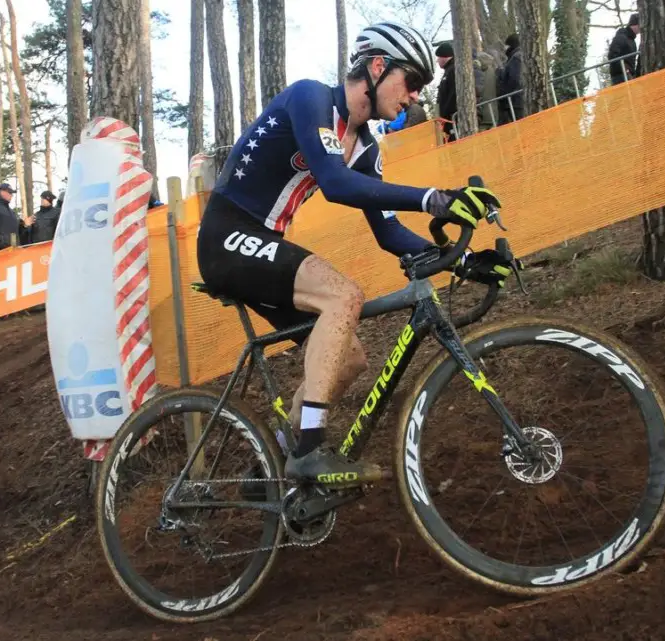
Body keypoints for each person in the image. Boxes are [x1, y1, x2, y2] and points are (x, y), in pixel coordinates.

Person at [195, 20, 512, 486]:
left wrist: (467, 262)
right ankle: (308, 452)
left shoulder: (365, 147)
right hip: (227, 234)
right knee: (343, 295)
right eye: (413, 83)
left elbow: (387, 232)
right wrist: (434, 198)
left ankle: (270, 468)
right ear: (378, 67)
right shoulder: (312, 99)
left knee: (349, 359)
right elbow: (335, 181)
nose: (416, 98)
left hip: (263, 245)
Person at [608, 13, 641, 86]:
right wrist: (626, 70)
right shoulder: (621, 37)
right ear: (635, 24)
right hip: (620, 76)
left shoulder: (632, 40)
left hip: (628, 75)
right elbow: (612, 55)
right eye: (640, 25)